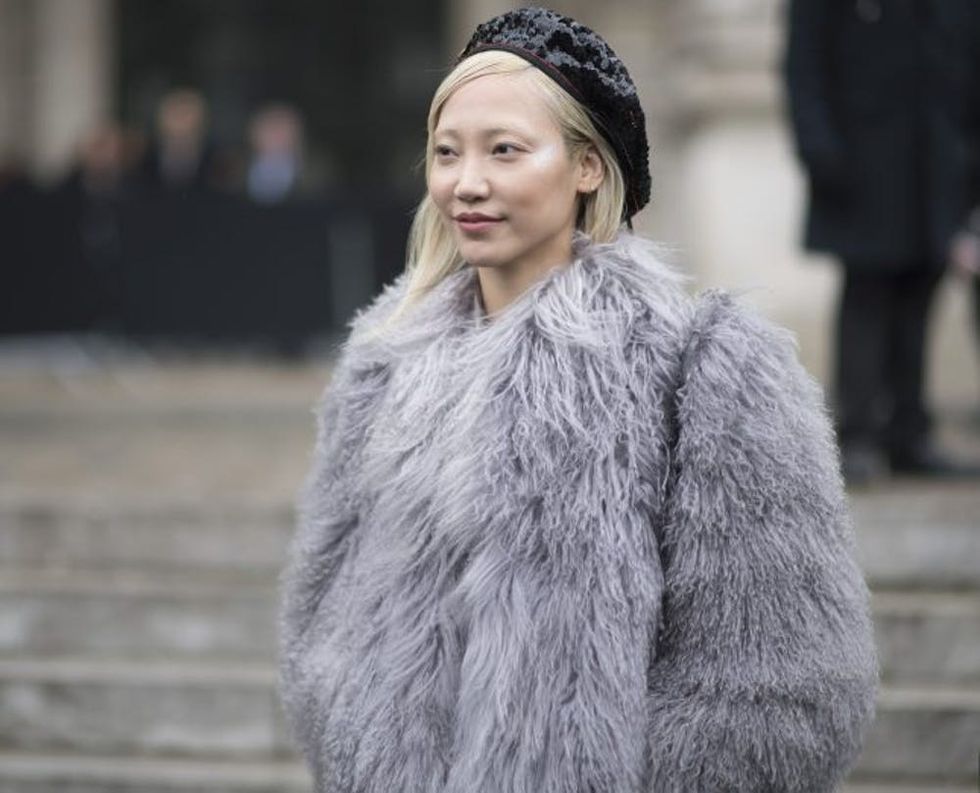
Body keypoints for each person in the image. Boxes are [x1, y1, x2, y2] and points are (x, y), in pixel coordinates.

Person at [278, 8, 877, 792]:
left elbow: (784, 676)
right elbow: (324, 610)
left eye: (505, 151)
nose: (468, 183)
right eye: (446, 153)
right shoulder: (382, 367)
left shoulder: (709, 369)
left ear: (587, 166)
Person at [781, 0, 980, 484]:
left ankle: (908, 435)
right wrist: (819, 149)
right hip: (861, 164)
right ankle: (858, 436)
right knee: (868, 293)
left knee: (919, 289)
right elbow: (804, 65)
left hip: (937, 165)